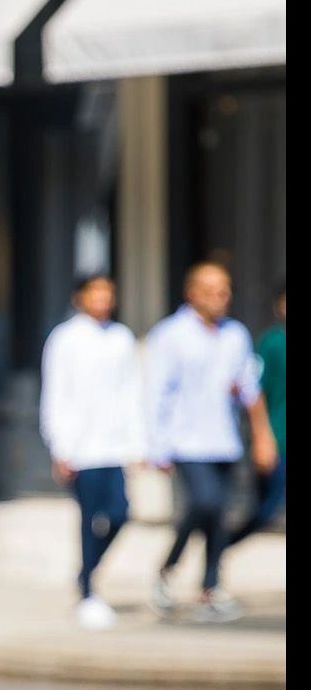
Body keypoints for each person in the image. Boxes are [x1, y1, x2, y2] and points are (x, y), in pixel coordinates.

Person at [146, 261, 281, 622]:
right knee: (206, 502)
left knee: (219, 515)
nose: (221, 297)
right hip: (185, 439)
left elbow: (250, 389)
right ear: (192, 293)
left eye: (224, 290)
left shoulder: (235, 335)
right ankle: (169, 566)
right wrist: (155, 446)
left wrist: (263, 436)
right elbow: (156, 393)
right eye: (211, 290)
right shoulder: (171, 335)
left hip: (224, 438)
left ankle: (210, 587)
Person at [38, 273, 143, 629]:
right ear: (79, 297)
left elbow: (131, 392)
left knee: (120, 513)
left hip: (113, 446)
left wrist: (137, 443)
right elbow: (56, 393)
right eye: (95, 292)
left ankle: (87, 571)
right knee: (89, 518)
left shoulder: (121, 337)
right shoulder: (65, 338)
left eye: (107, 292)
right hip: (81, 448)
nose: (102, 299)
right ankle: (88, 591)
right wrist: (60, 446)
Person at [226, 279, 286, 547]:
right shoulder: (272, 344)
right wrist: (262, 437)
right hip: (279, 439)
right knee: (265, 510)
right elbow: (254, 391)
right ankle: (220, 547)